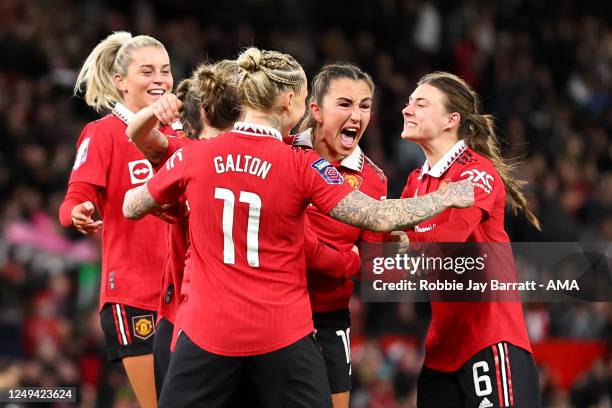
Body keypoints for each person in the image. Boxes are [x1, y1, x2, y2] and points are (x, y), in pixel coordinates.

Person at [122, 47, 474, 408]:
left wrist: (171, 205)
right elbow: (377, 216)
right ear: (290, 101)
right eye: (307, 100)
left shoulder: (195, 154)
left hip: (208, 328)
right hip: (282, 330)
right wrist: (445, 198)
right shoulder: (300, 164)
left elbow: (132, 205)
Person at [127, 60, 362, 400]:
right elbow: (310, 247)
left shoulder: (189, 154)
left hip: (198, 325)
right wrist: (353, 262)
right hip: (242, 329)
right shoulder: (285, 161)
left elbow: (136, 150)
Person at [399, 71, 541, 408]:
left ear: (452, 119)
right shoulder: (414, 182)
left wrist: (405, 245)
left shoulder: (477, 171)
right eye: (408, 102)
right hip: (441, 353)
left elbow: (452, 238)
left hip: (491, 340)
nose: (407, 109)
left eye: (420, 103)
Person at [58, 31, 178, 408]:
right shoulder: (102, 134)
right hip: (134, 294)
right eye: (147, 71)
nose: (159, 79)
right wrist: (78, 212)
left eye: (165, 70)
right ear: (120, 82)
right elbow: (73, 200)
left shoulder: (184, 135)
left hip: (187, 295)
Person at [292, 63, 386, 408]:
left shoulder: (374, 181)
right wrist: (346, 259)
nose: (357, 115)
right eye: (345, 104)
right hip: (274, 307)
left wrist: (394, 246)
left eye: (365, 105)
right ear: (315, 110)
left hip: (329, 314)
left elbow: (372, 268)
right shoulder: (283, 153)